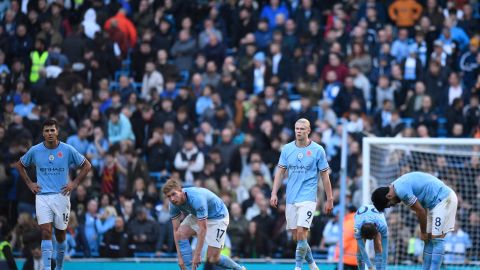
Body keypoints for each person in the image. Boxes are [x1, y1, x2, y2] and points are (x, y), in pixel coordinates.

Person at [14, 119, 92, 270]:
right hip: (42, 196)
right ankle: (48, 267)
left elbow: (87, 165)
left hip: (61, 196)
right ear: (43, 133)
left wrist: (74, 183)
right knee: (46, 231)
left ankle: (60, 266)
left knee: (61, 234)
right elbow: (19, 165)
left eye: (52, 130)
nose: (50, 133)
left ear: (57, 132)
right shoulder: (35, 150)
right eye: (47, 130)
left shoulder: (67, 149)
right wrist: (30, 183)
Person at [270, 118, 334, 270]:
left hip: (308, 197)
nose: (298, 131)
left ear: (308, 131)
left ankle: (298, 267)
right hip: (291, 197)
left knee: (301, 232)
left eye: (302, 129)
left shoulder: (318, 150)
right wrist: (274, 193)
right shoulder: (287, 149)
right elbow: (280, 173)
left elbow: (325, 176)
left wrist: (329, 198)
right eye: (296, 128)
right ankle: (312, 264)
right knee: (297, 236)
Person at [371, 172, 458, 270]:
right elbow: (422, 209)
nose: (393, 205)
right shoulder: (395, 186)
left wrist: (423, 232)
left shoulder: (401, 191)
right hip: (433, 205)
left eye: (390, 204)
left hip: (444, 200)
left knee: (436, 239)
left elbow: (420, 211)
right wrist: (425, 233)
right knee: (428, 241)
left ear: (389, 196)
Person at [162, 179, 245, 270]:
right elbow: (176, 230)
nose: (172, 199)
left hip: (218, 217)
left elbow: (203, 228)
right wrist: (180, 257)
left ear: (181, 190)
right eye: (168, 196)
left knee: (213, 259)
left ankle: (239, 269)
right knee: (180, 233)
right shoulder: (173, 205)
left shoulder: (196, 198)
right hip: (198, 215)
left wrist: (197, 254)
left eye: (174, 194)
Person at [354, 204, 388, 270]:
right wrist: (370, 267)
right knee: (359, 252)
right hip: (361, 219)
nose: (371, 239)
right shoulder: (356, 228)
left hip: (376, 219)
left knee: (378, 245)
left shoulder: (383, 226)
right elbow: (362, 249)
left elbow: (385, 251)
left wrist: (383, 268)